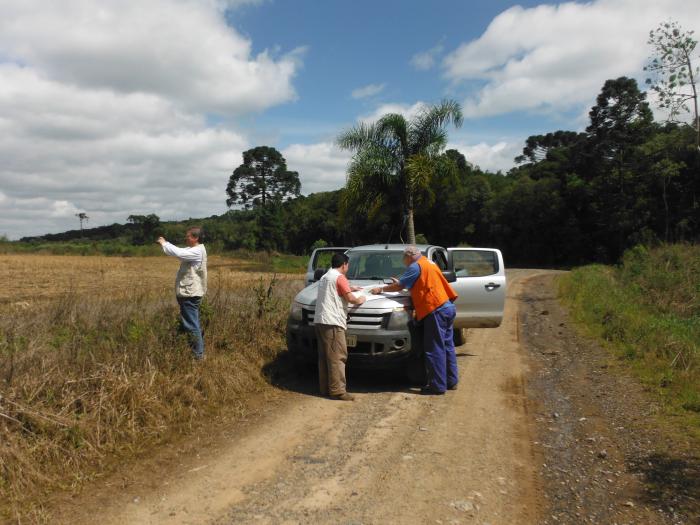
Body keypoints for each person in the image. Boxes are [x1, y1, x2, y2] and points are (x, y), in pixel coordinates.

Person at [371, 246, 458, 394]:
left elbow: (400, 286)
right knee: (447, 345)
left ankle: (437, 386)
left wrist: (381, 289)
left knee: (434, 348)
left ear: (409, 256)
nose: (403, 261)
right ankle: (451, 381)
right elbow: (422, 283)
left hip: (435, 309)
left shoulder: (415, 266)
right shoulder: (428, 262)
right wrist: (400, 283)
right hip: (447, 307)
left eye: (403, 258)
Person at [315, 252, 366, 401]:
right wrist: (360, 299)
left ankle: (325, 388)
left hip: (320, 321)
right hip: (333, 322)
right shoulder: (340, 277)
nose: (347, 267)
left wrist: (350, 287)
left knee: (324, 356)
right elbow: (350, 298)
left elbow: (337, 289)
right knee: (338, 356)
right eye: (347, 265)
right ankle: (338, 391)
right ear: (344, 265)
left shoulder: (325, 277)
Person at [157, 227, 208, 360]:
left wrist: (164, 243)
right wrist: (166, 244)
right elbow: (180, 251)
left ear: (195, 238)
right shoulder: (194, 250)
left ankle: (198, 356)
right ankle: (197, 353)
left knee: (191, 326)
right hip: (190, 293)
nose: (186, 238)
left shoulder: (197, 251)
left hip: (190, 294)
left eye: (188, 236)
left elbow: (178, 253)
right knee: (193, 324)